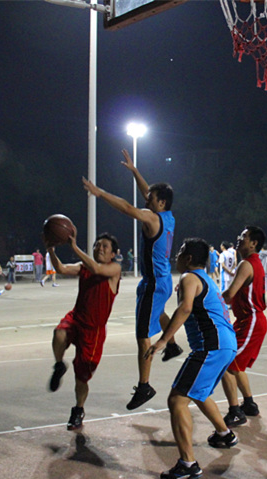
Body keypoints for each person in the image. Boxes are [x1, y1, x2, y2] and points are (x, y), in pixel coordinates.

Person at [83, 149, 183, 410]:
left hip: (154, 283)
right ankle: (172, 346)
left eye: (151, 198)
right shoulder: (168, 217)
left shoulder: (152, 217)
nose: (147, 199)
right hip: (162, 280)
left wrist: (100, 193)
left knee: (142, 336)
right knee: (159, 312)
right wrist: (135, 171)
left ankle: (144, 385)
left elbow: (128, 208)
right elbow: (147, 192)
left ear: (161, 202)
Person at [145, 238, 239, 479]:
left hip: (212, 346)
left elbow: (185, 309)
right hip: (225, 344)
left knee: (177, 400)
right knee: (198, 392)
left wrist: (164, 340)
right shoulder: (205, 278)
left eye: (180, 252)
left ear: (188, 258)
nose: (175, 256)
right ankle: (224, 434)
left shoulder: (189, 277)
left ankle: (188, 464)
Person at [46, 232, 121, 431]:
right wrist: (51, 250)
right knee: (59, 333)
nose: (99, 248)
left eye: (104, 246)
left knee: (81, 378)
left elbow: (97, 268)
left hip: (93, 331)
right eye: (97, 245)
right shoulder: (84, 268)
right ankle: (59, 365)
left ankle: (78, 409)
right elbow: (61, 268)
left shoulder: (114, 269)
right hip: (76, 318)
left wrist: (73, 246)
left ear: (113, 254)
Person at [221, 226, 267, 427]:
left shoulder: (246, 264)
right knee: (236, 364)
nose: (239, 238)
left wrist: (203, 296)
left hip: (251, 321)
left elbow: (229, 295)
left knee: (226, 363)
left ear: (253, 243)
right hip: (248, 321)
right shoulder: (253, 263)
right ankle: (249, 404)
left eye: (244, 236)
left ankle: (235, 412)